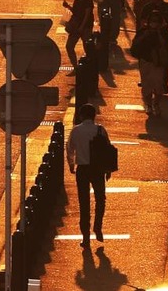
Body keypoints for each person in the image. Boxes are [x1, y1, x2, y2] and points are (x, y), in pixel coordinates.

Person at [67, 103, 109, 248]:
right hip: (98, 169)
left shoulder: (76, 131)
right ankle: (98, 226)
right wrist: (108, 169)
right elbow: (107, 150)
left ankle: (85, 236)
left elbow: (70, 149)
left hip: (83, 169)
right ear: (94, 115)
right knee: (100, 199)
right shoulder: (100, 130)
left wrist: (71, 165)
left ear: (81, 116)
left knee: (84, 203)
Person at [63, 0, 95, 70]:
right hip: (78, 26)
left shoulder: (87, 0)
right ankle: (77, 67)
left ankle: (83, 67)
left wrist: (82, 26)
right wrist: (68, 7)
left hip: (83, 26)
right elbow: (77, 12)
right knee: (72, 46)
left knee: (82, 46)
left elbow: (87, 14)